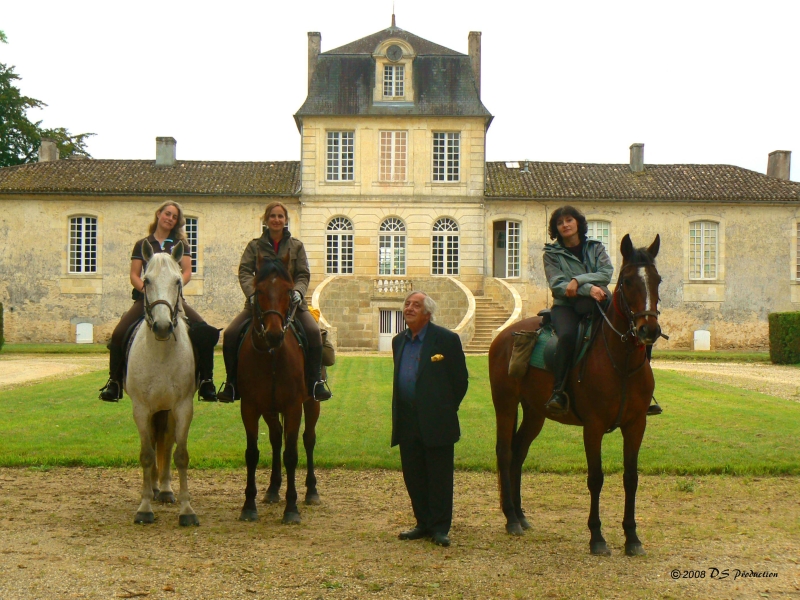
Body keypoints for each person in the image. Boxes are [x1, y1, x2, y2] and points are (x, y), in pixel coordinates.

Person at [99, 201, 219, 402]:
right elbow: (134, 274)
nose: (170, 219)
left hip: (174, 299)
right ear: (158, 214)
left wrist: (177, 285)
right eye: (167, 214)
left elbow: (187, 271)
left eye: (174, 217)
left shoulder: (180, 245)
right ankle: (114, 383)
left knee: (205, 331)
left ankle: (207, 381)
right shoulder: (143, 244)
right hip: (146, 299)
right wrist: (146, 289)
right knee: (119, 333)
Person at [216, 201, 331, 402]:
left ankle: (315, 383)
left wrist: (298, 291)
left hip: (292, 305)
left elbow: (303, 273)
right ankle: (232, 383)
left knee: (313, 333)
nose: (276, 220)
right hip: (260, 304)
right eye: (273, 216)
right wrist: (251, 294)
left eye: (280, 216)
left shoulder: (296, 246)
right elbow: (244, 271)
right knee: (231, 333)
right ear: (266, 220)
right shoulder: (254, 246)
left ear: (285, 221)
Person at [391, 291, 469, 548]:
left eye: (416, 305)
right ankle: (422, 523)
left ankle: (439, 528)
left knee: (439, 476)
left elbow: (460, 380)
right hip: (407, 417)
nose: (409, 308)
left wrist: (446, 408)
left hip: (438, 418)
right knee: (413, 474)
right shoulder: (397, 341)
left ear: (427, 313)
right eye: (407, 304)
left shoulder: (446, 340)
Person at [542, 205, 612, 416]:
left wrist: (578, 281)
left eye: (569, 220)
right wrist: (589, 288)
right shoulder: (551, 253)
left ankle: (644, 388)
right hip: (566, 306)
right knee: (567, 336)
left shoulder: (596, 247)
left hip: (599, 300)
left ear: (578, 223)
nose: (565, 225)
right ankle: (559, 391)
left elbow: (606, 273)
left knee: (633, 327)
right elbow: (557, 284)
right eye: (560, 222)